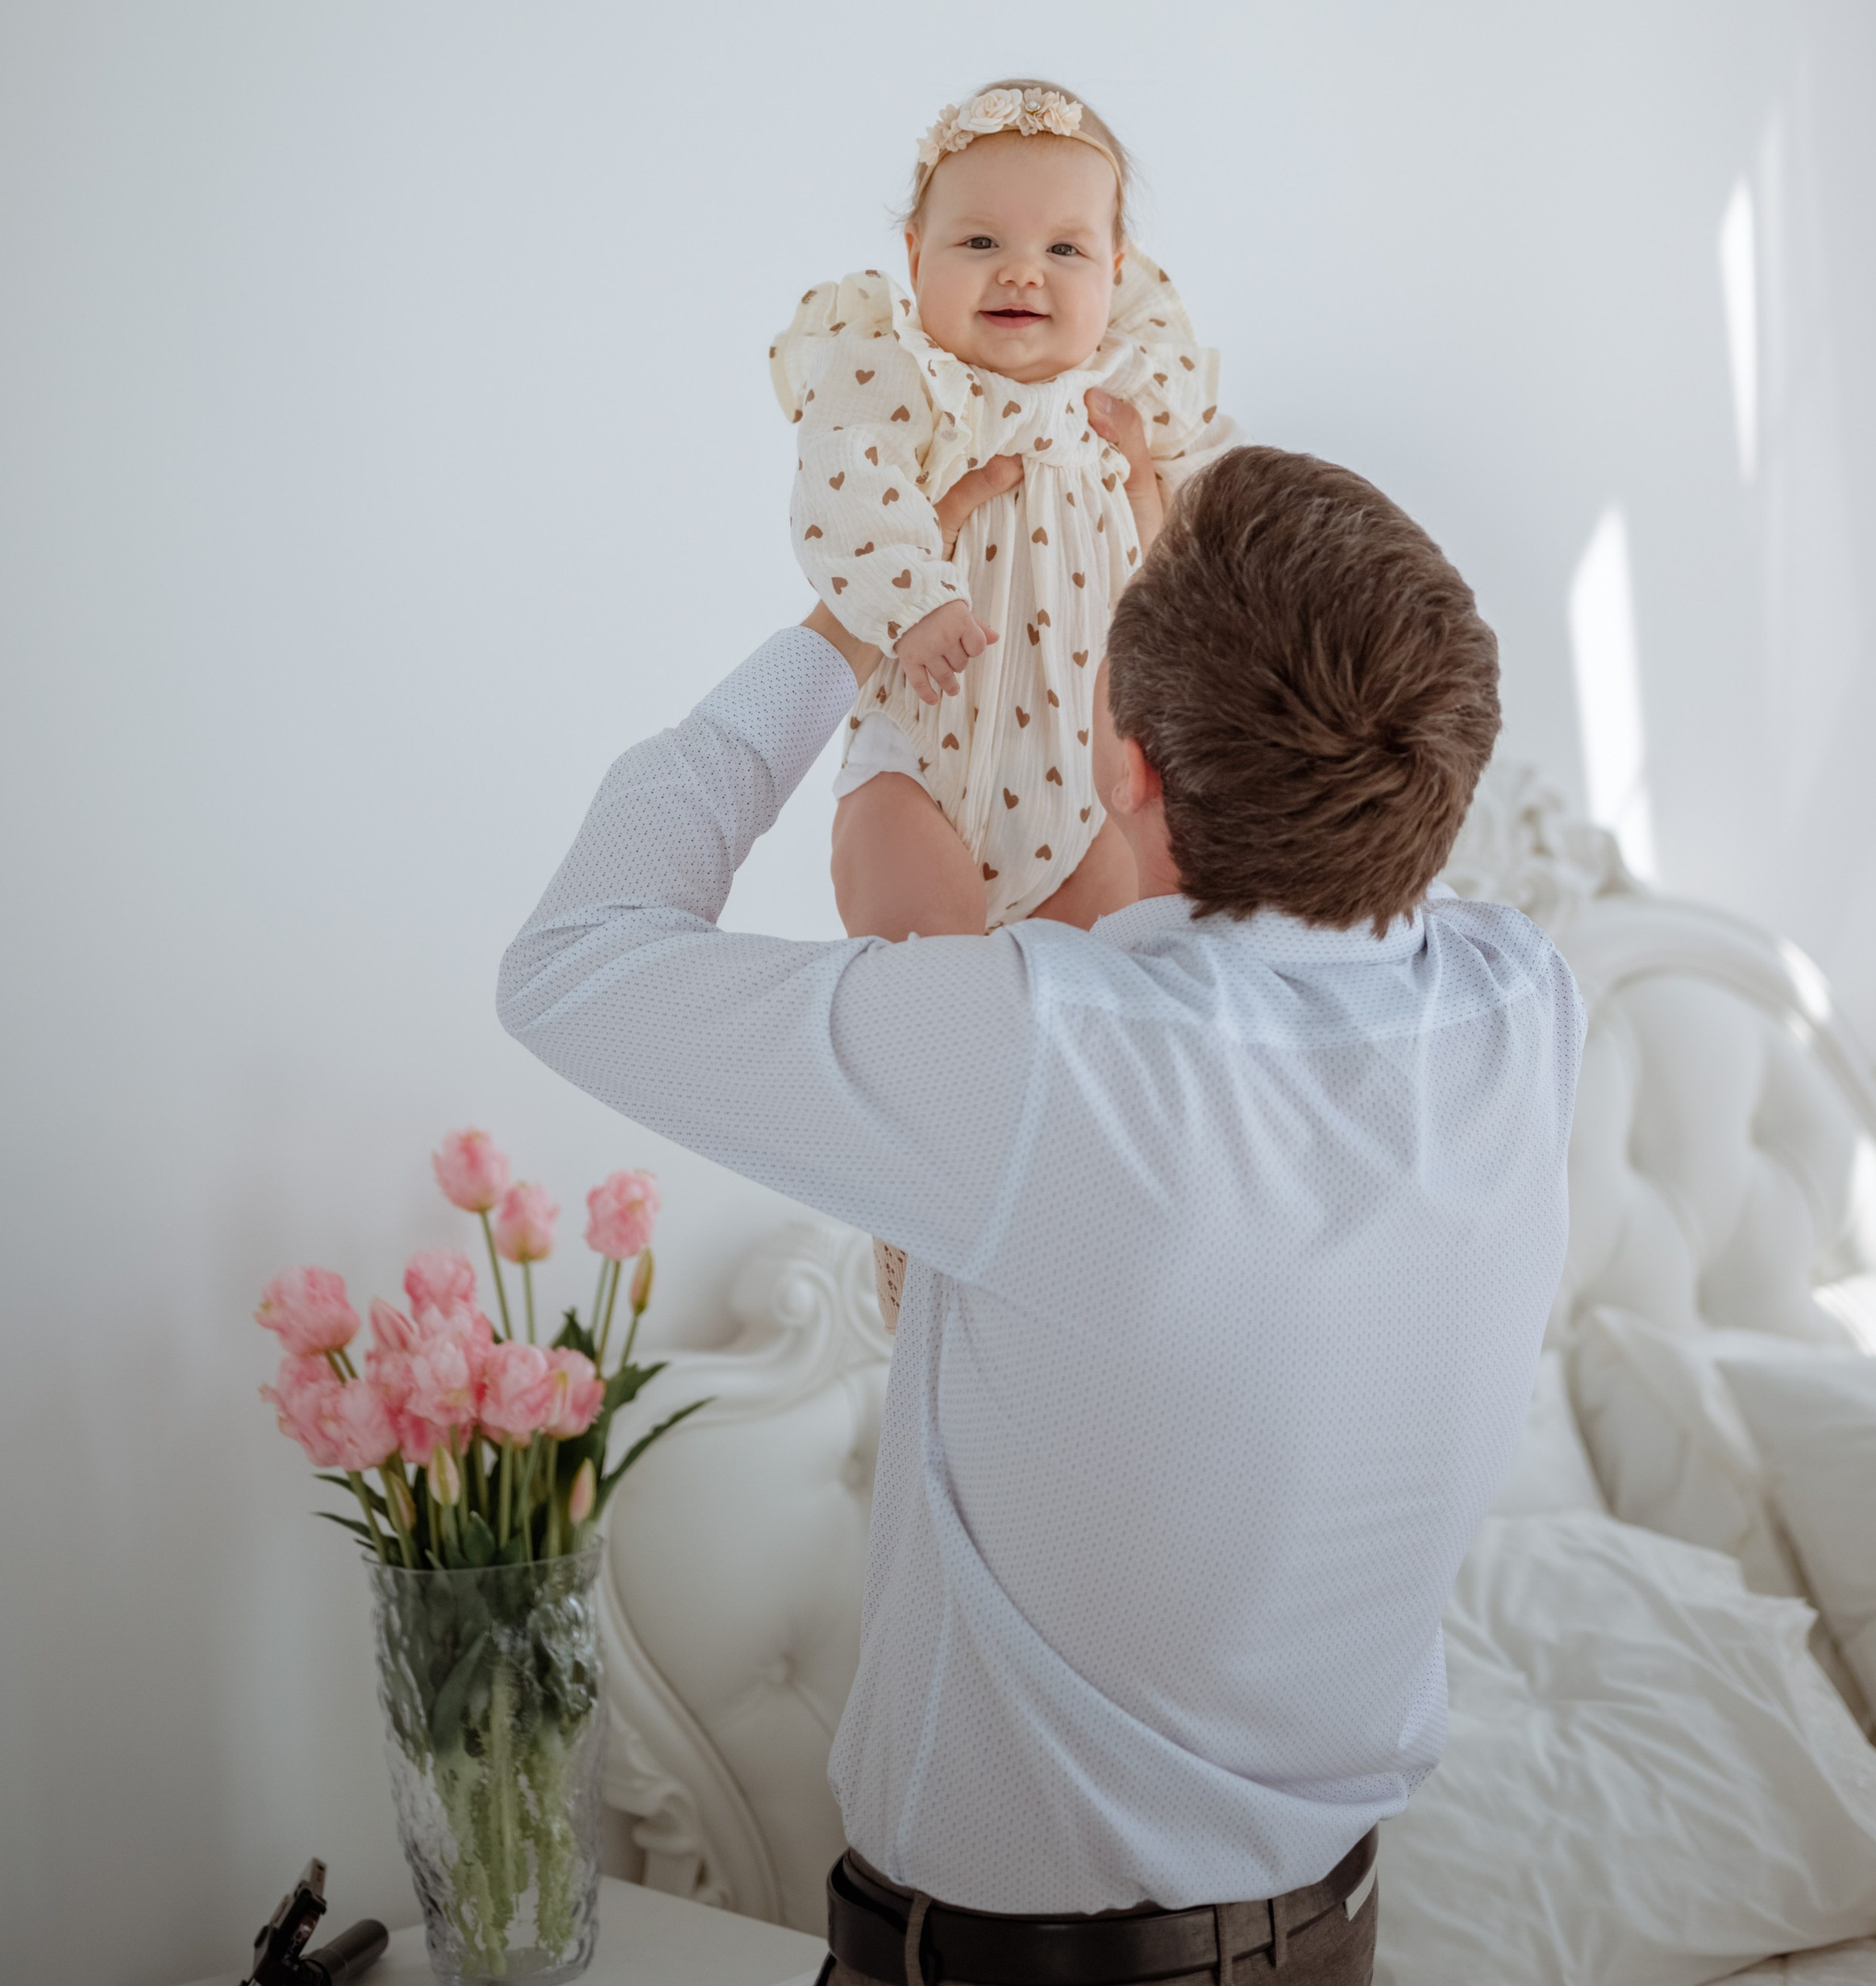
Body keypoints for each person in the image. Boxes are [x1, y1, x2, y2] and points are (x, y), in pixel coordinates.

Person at [500, 444, 1584, 1986]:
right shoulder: (1516, 1005)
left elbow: (574, 959)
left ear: (1127, 761)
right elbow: (1269, 889)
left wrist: (852, 622)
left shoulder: (1046, 1061)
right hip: (1336, 1941)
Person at [771, 74, 1239, 1324]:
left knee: (1103, 1013)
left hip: (1085, 800)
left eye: (1064, 249)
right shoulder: (906, 382)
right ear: (913, 259)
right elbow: (847, 493)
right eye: (979, 242)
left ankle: (1065, 1238)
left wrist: (1152, 498)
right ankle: (917, 1215)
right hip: (923, 767)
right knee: (933, 996)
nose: (1021, 272)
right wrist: (916, 594)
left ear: (1117, 272)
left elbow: (1192, 550)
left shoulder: (1125, 404)